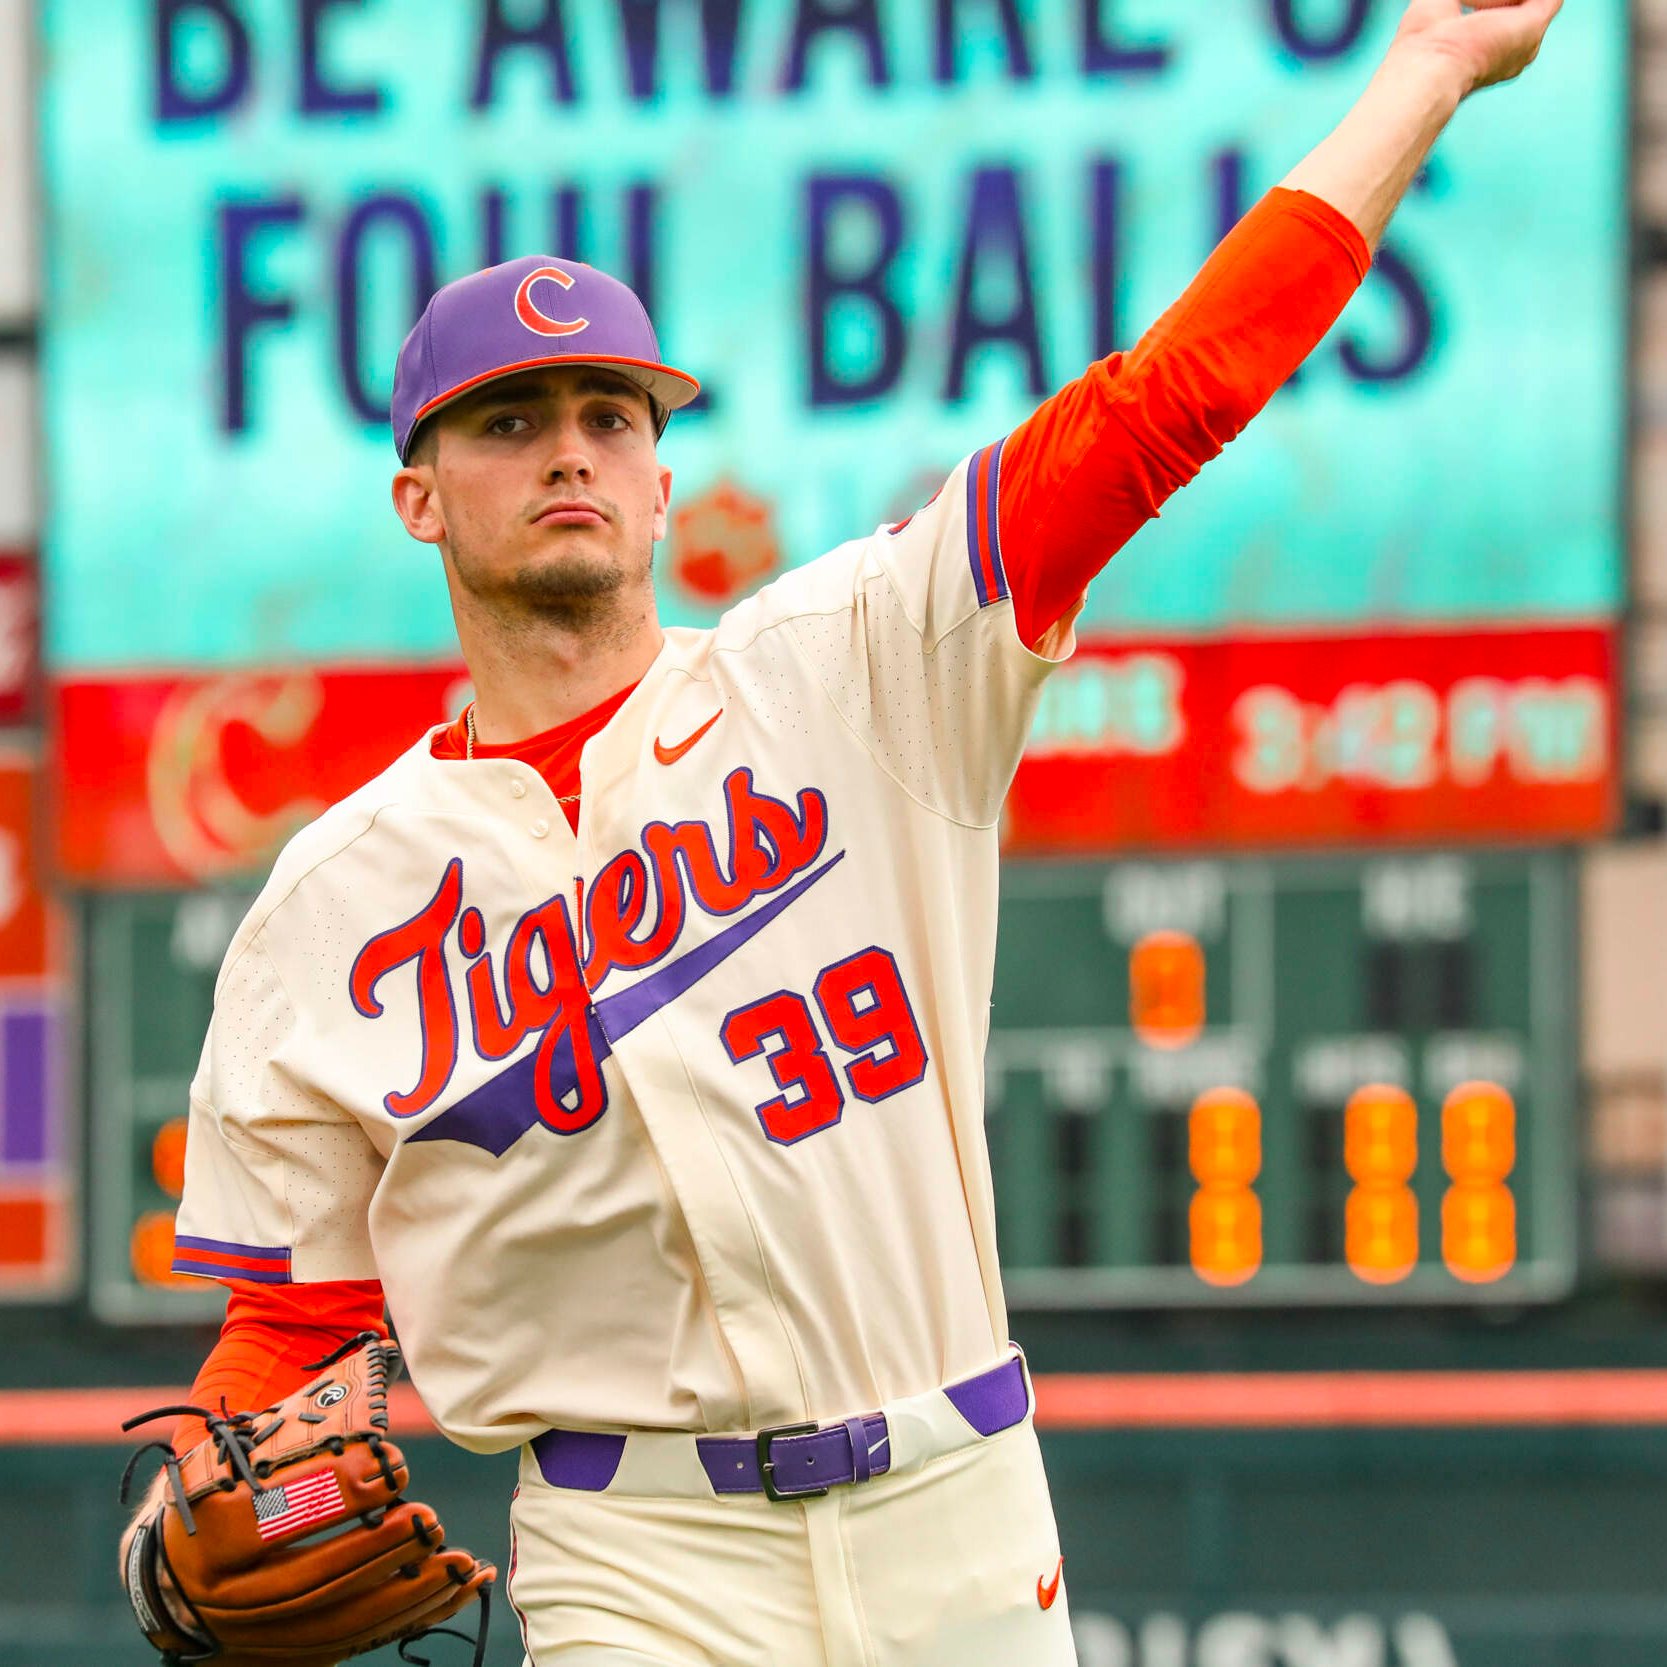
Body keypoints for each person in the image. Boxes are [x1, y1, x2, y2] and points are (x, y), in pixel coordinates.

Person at [125, 4, 1561, 1662]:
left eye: (611, 415)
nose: (571, 451)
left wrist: (1424, 73)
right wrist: (176, 1502)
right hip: (632, 1545)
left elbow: (1167, 400)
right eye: (511, 423)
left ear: (665, 484)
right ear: (422, 497)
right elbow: (294, 1319)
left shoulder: (860, 665)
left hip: (957, 1500)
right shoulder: (331, 904)